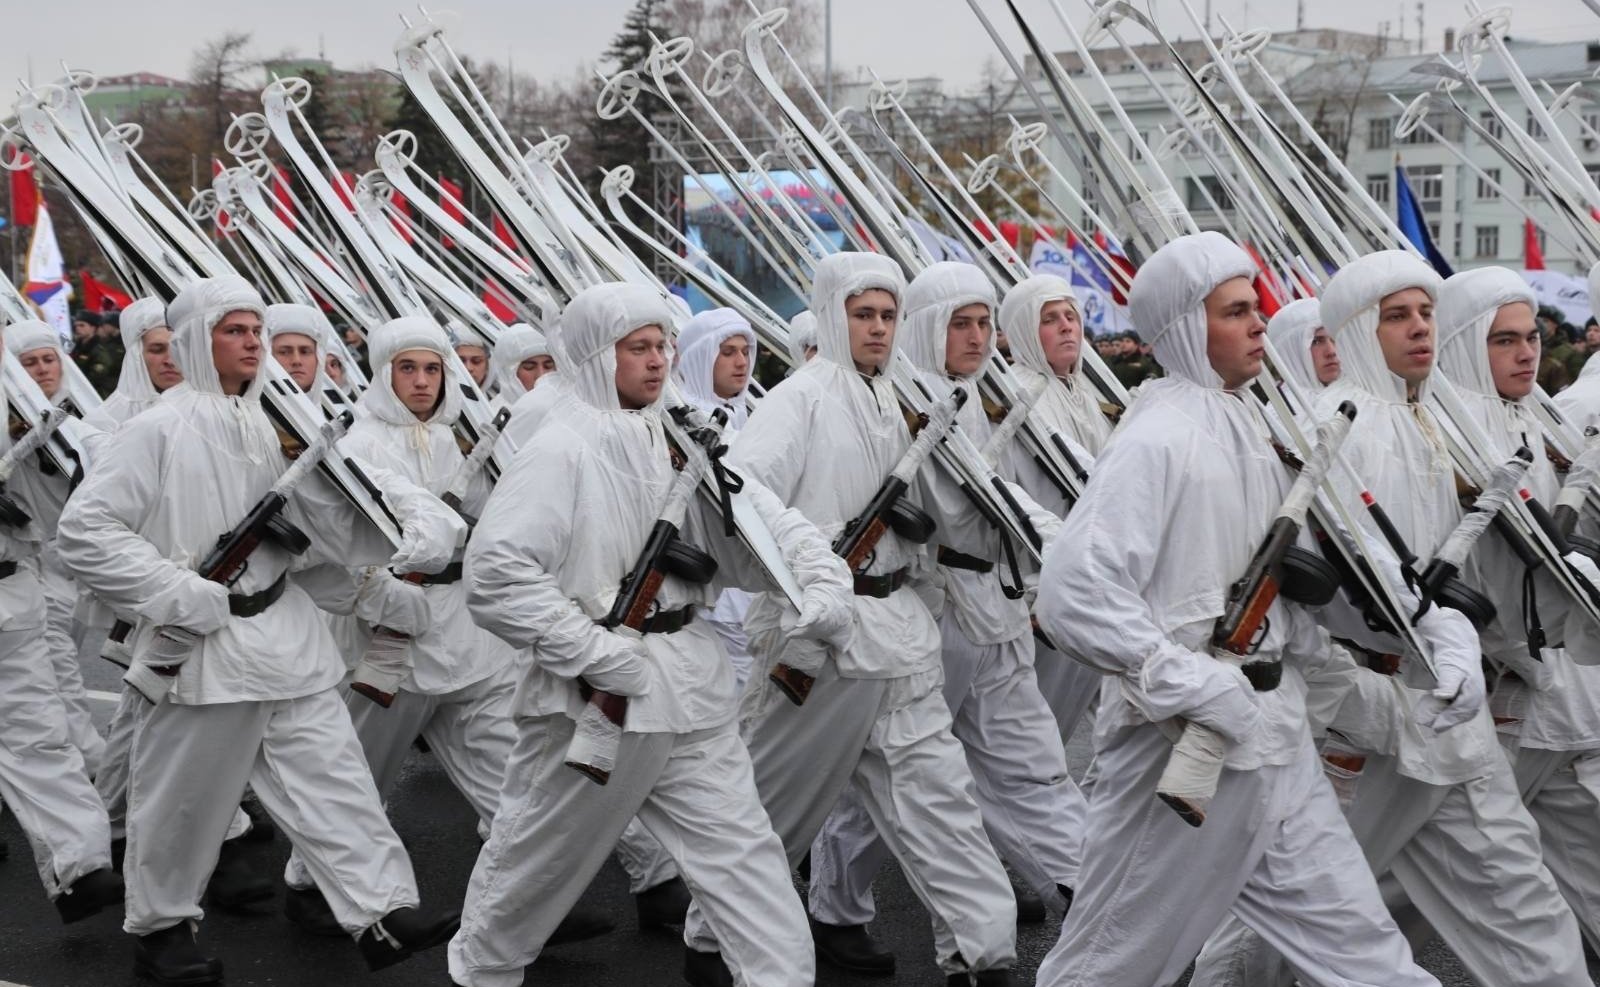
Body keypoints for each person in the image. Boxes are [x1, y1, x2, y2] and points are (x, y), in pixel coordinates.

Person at [1033, 232, 1448, 987]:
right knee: (1109, 964)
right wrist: (1187, 681)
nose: (1260, 322)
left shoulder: (1253, 423)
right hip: (1184, 743)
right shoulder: (1157, 436)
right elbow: (1071, 594)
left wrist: (1430, 632)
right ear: (1190, 330)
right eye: (1235, 311)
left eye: (1254, 305)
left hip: (1275, 738)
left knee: (1366, 955)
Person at [56, 276, 466, 985]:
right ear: (194, 340)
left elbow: (356, 494)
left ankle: (381, 910)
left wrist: (420, 528)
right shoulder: (156, 429)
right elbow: (85, 532)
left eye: (256, 330)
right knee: (184, 803)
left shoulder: (284, 420)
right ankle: (162, 929)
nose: (252, 342)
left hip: (285, 634)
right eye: (234, 330)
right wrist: (176, 591)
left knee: (334, 780)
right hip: (203, 650)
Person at [446, 281, 855, 987]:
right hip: (593, 699)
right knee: (533, 868)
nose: (658, 360)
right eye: (637, 348)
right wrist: (595, 653)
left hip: (691, 692)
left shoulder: (677, 434)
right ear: (599, 355)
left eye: (662, 344)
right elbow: (496, 574)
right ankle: (482, 974)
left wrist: (822, 581)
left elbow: (763, 518)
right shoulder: (561, 448)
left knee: (748, 863)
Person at [687, 253, 1020, 987]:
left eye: (887, 314)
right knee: (772, 800)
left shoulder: (908, 396)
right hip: (816, 643)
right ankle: (710, 941)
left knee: (941, 800)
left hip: (899, 631)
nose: (876, 327)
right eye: (862, 314)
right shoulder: (800, 398)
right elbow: (737, 501)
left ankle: (982, 951)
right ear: (835, 315)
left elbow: (974, 499)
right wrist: (812, 569)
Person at [1296, 251, 1589, 987]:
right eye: (1398, 316)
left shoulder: (1434, 419)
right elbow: (1324, 583)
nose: (1420, 328)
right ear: (1358, 329)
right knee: (1306, 905)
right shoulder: (1337, 426)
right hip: (1367, 712)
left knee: (1523, 901)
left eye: (1426, 312)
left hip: (1457, 715)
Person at [805, 262, 1086, 974]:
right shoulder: (896, 407)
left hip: (995, 609)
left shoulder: (989, 398)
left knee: (1033, 767)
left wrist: (1073, 547)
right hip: (931, 614)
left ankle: (1083, 888)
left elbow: (1022, 496)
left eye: (984, 322)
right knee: (906, 788)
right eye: (959, 323)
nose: (976, 336)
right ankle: (840, 910)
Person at [1435, 267, 1600, 954]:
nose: (1527, 352)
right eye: (1505, 340)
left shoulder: (1539, 415)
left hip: (1560, 701)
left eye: (1532, 336)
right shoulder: (1446, 435)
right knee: (1381, 879)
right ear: (1469, 345)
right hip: (1490, 698)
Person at [0, 320, 123, 927]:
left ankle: (81, 864)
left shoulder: (32, 424)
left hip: (12, 591)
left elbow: (63, 515)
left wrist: (35, 456)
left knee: (38, 733)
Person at [994, 276, 1112, 742]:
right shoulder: (1016, 397)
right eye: (1049, 319)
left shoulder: (1083, 390)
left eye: (1071, 316)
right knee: (1039, 731)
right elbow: (1004, 493)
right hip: (1043, 589)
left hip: (1095, 582)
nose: (1067, 327)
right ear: (1024, 330)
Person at [82, 298, 181, 434]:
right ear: (137, 356)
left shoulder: (211, 410)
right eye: (157, 350)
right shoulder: (105, 422)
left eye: (178, 349)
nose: (170, 360)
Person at [1264, 298, 1338, 391]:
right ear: (1291, 353)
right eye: (1316, 342)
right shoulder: (1283, 405)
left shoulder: (1358, 390)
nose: (1331, 351)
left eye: (1333, 339)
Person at [486, 322, 554, 411]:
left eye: (548, 366)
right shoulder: (494, 416)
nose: (541, 375)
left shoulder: (566, 409)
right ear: (507, 373)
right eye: (529, 367)